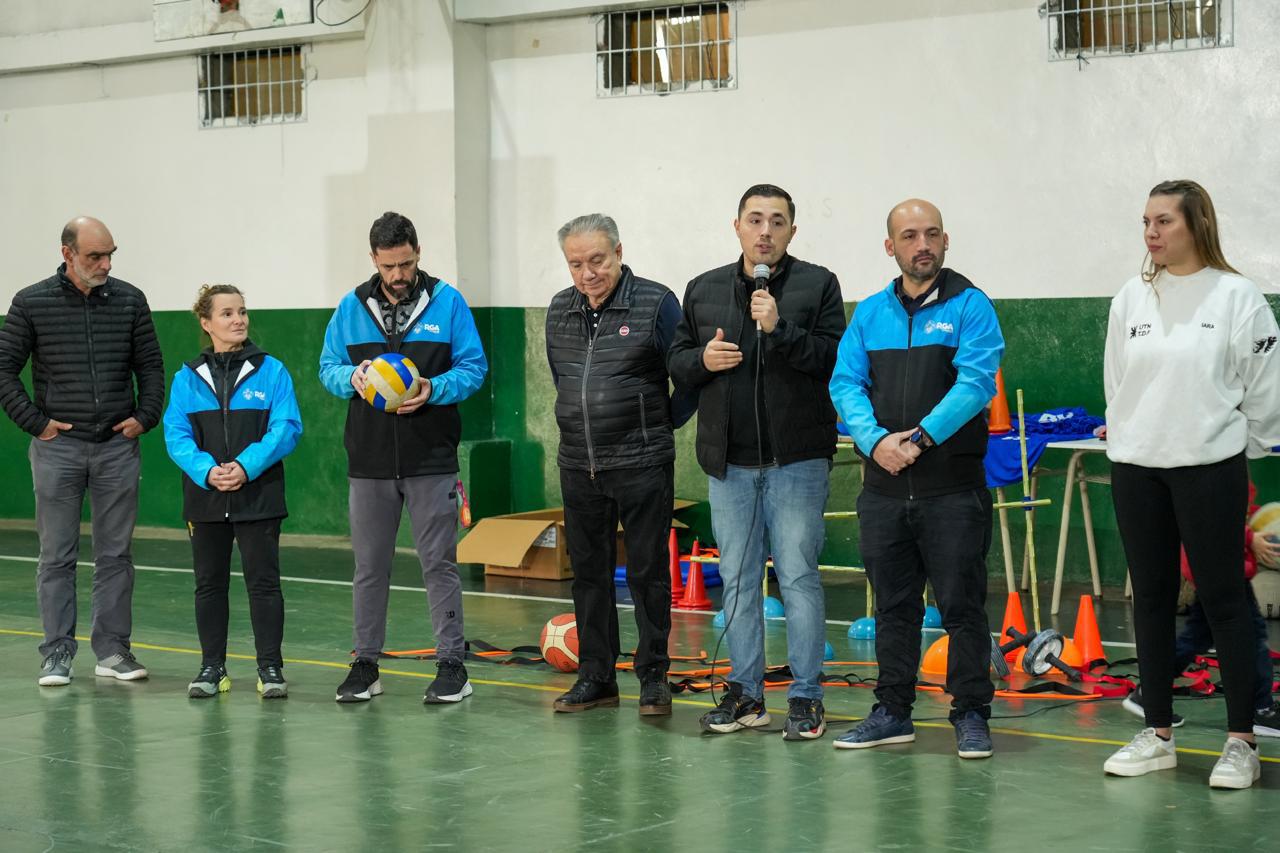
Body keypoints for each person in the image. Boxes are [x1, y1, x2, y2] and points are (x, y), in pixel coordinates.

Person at [1101, 180, 1280, 789]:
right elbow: (1117, 383)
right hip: (1136, 469)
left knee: (1224, 598)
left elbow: (1263, 390)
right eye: (1145, 221)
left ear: (1196, 225)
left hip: (1211, 469)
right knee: (1149, 599)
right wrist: (1130, 440)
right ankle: (1156, 732)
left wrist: (1233, 449)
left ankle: (1241, 742)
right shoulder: (1131, 297)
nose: (1150, 232)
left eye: (1164, 222)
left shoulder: (1237, 297)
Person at [667, 184, 846, 741]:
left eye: (777, 222)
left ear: (792, 231)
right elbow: (675, 359)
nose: (765, 231)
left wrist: (781, 330)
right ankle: (745, 694)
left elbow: (834, 361)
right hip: (731, 464)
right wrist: (701, 359)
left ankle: (806, 698)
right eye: (755, 220)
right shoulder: (702, 288)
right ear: (737, 226)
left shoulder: (819, 284)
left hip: (797, 461)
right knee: (738, 581)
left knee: (797, 577)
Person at [829, 198, 1004, 759]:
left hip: (952, 491)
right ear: (891, 247)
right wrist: (877, 441)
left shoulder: (972, 306)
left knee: (962, 608)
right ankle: (892, 712)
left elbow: (976, 384)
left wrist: (919, 439)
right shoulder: (870, 313)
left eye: (931, 234)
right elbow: (844, 384)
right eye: (909, 236)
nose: (921, 244)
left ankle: (971, 712)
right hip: (882, 491)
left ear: (945, 242)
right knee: (894, 607)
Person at [319, 211, 488, 704]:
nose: (398, 275)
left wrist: (433, 388)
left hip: (431, 458)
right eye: (390, 265)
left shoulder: (448, 302)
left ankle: (452, 664)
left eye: (407, 263)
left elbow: (474, 369)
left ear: (418, 253)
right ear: (374, 258)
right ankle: (365, 663)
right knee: (369, 567)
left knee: (439, 563)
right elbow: (327, 367)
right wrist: (352, 377)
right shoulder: (350, 307)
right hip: (369, 461)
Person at [0, 216, 164, 686]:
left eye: (111, 253)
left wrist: (145, 416)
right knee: (57, 556)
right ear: (67, 253)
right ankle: (56, 653)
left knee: (116, 555)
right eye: (95, 255)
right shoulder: (30, 302)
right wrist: (37, 423)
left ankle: (113, 651)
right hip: (58, 450)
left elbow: (151, 366)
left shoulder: (130, 300)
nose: (106, 264)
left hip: (117, 446)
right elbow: (4, 371)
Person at [545, 213, 695, 716]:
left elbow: (689, 378)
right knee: (588, 575)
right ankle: (597, 677)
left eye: (597, 260)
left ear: (618, 252)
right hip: (578, 465)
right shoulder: (559, 311)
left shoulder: (656, 303)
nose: (588, 273)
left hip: (643, 463)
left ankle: (653, 677)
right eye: (576, 264)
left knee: (649, 574)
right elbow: (563, 377)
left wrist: (659, 424)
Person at [163, 285, 302, 699]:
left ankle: (270, 668)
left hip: (259, 496)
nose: (238, 319)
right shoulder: (187, 378)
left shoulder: (272, 370)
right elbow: (176, 435)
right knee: (209, 585)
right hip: (206, 499)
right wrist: (208, 472)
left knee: (264, 584)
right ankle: (211, 668)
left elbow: (286, 428)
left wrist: (245, 466)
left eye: (242, 311)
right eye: (226, 313)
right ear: (206, 324)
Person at [1120, 485, 1280, 735]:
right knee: (1253, 637)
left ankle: (1148, 692)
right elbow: (1213, 521)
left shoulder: (1235, 473)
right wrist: (1250, 539)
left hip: (1225, 570)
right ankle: (1260, 708)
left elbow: (1238, 513)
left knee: (1196, 638)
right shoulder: (1211, 472)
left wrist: (1260, 522)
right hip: (1217, 570)